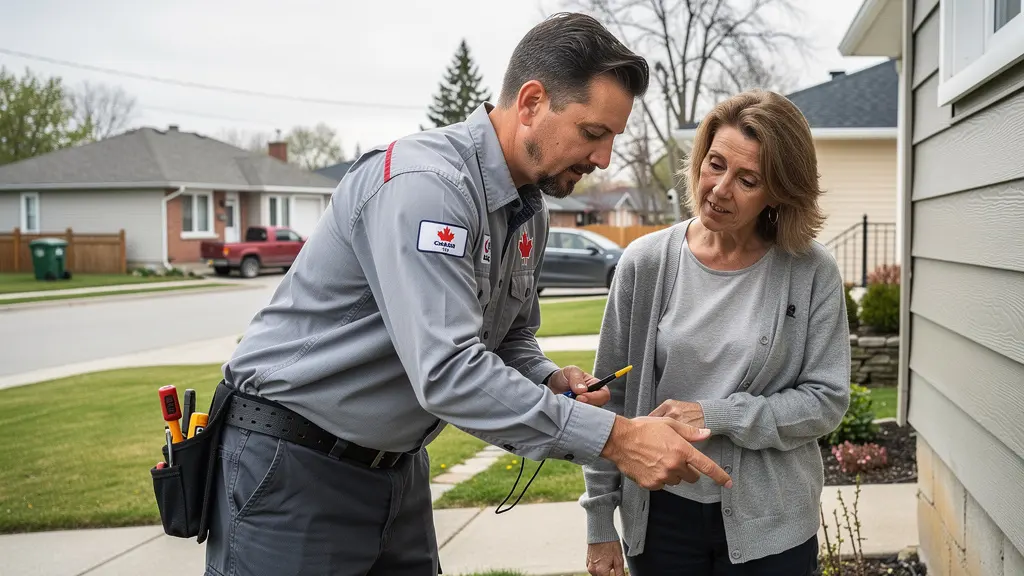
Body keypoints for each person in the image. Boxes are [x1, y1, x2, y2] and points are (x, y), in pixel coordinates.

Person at [203, 12, 732, 576]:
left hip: (395, 471)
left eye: (611, 139)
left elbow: (508, 340)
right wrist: (618, 437)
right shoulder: (424, 189)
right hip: (294, 465)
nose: (602, 158)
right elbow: (449, 370)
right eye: (592, 132)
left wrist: (549, 378)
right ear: (531, 103)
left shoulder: (528, 211)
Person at [580, 90, 853, 576]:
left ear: (778, 192)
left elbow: (826, 400)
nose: (720, 189)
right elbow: (608, 402)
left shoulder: (810, 272)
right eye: (715, 164)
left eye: (747, 180)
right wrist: (600, 523)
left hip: (773, 522)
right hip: (660, 517)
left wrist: (716, 414)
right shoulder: (645, 263)